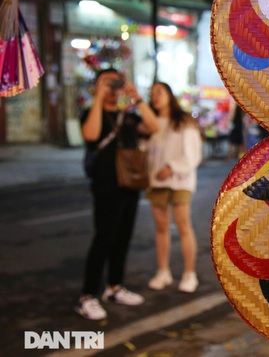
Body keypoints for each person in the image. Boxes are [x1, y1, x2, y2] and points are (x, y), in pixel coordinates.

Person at [77, 68, 160, 320]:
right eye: (106, 83)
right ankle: (87, 297)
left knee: (122, 238)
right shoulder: (90, 114)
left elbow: (153, 126)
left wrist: (136, 96)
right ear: (97, 86)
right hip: (106, 186)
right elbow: (90, 135)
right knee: (104, 238)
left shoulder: (129, 116)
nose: (112, 88)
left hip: (130, 184)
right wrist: (98, 98)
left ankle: (114, 287)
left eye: (115, 83)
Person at [146, 82, 203, 293]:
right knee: (161, 227)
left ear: (170, 95)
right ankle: (163, 271)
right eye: (152, 93)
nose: (155, 96)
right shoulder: (150, 123)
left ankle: (190, 273)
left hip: (180, 179)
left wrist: (172, 167)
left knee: (183, 225)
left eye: (159, 92)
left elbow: (193, 153)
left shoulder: (184, 121)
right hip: (157, 180)